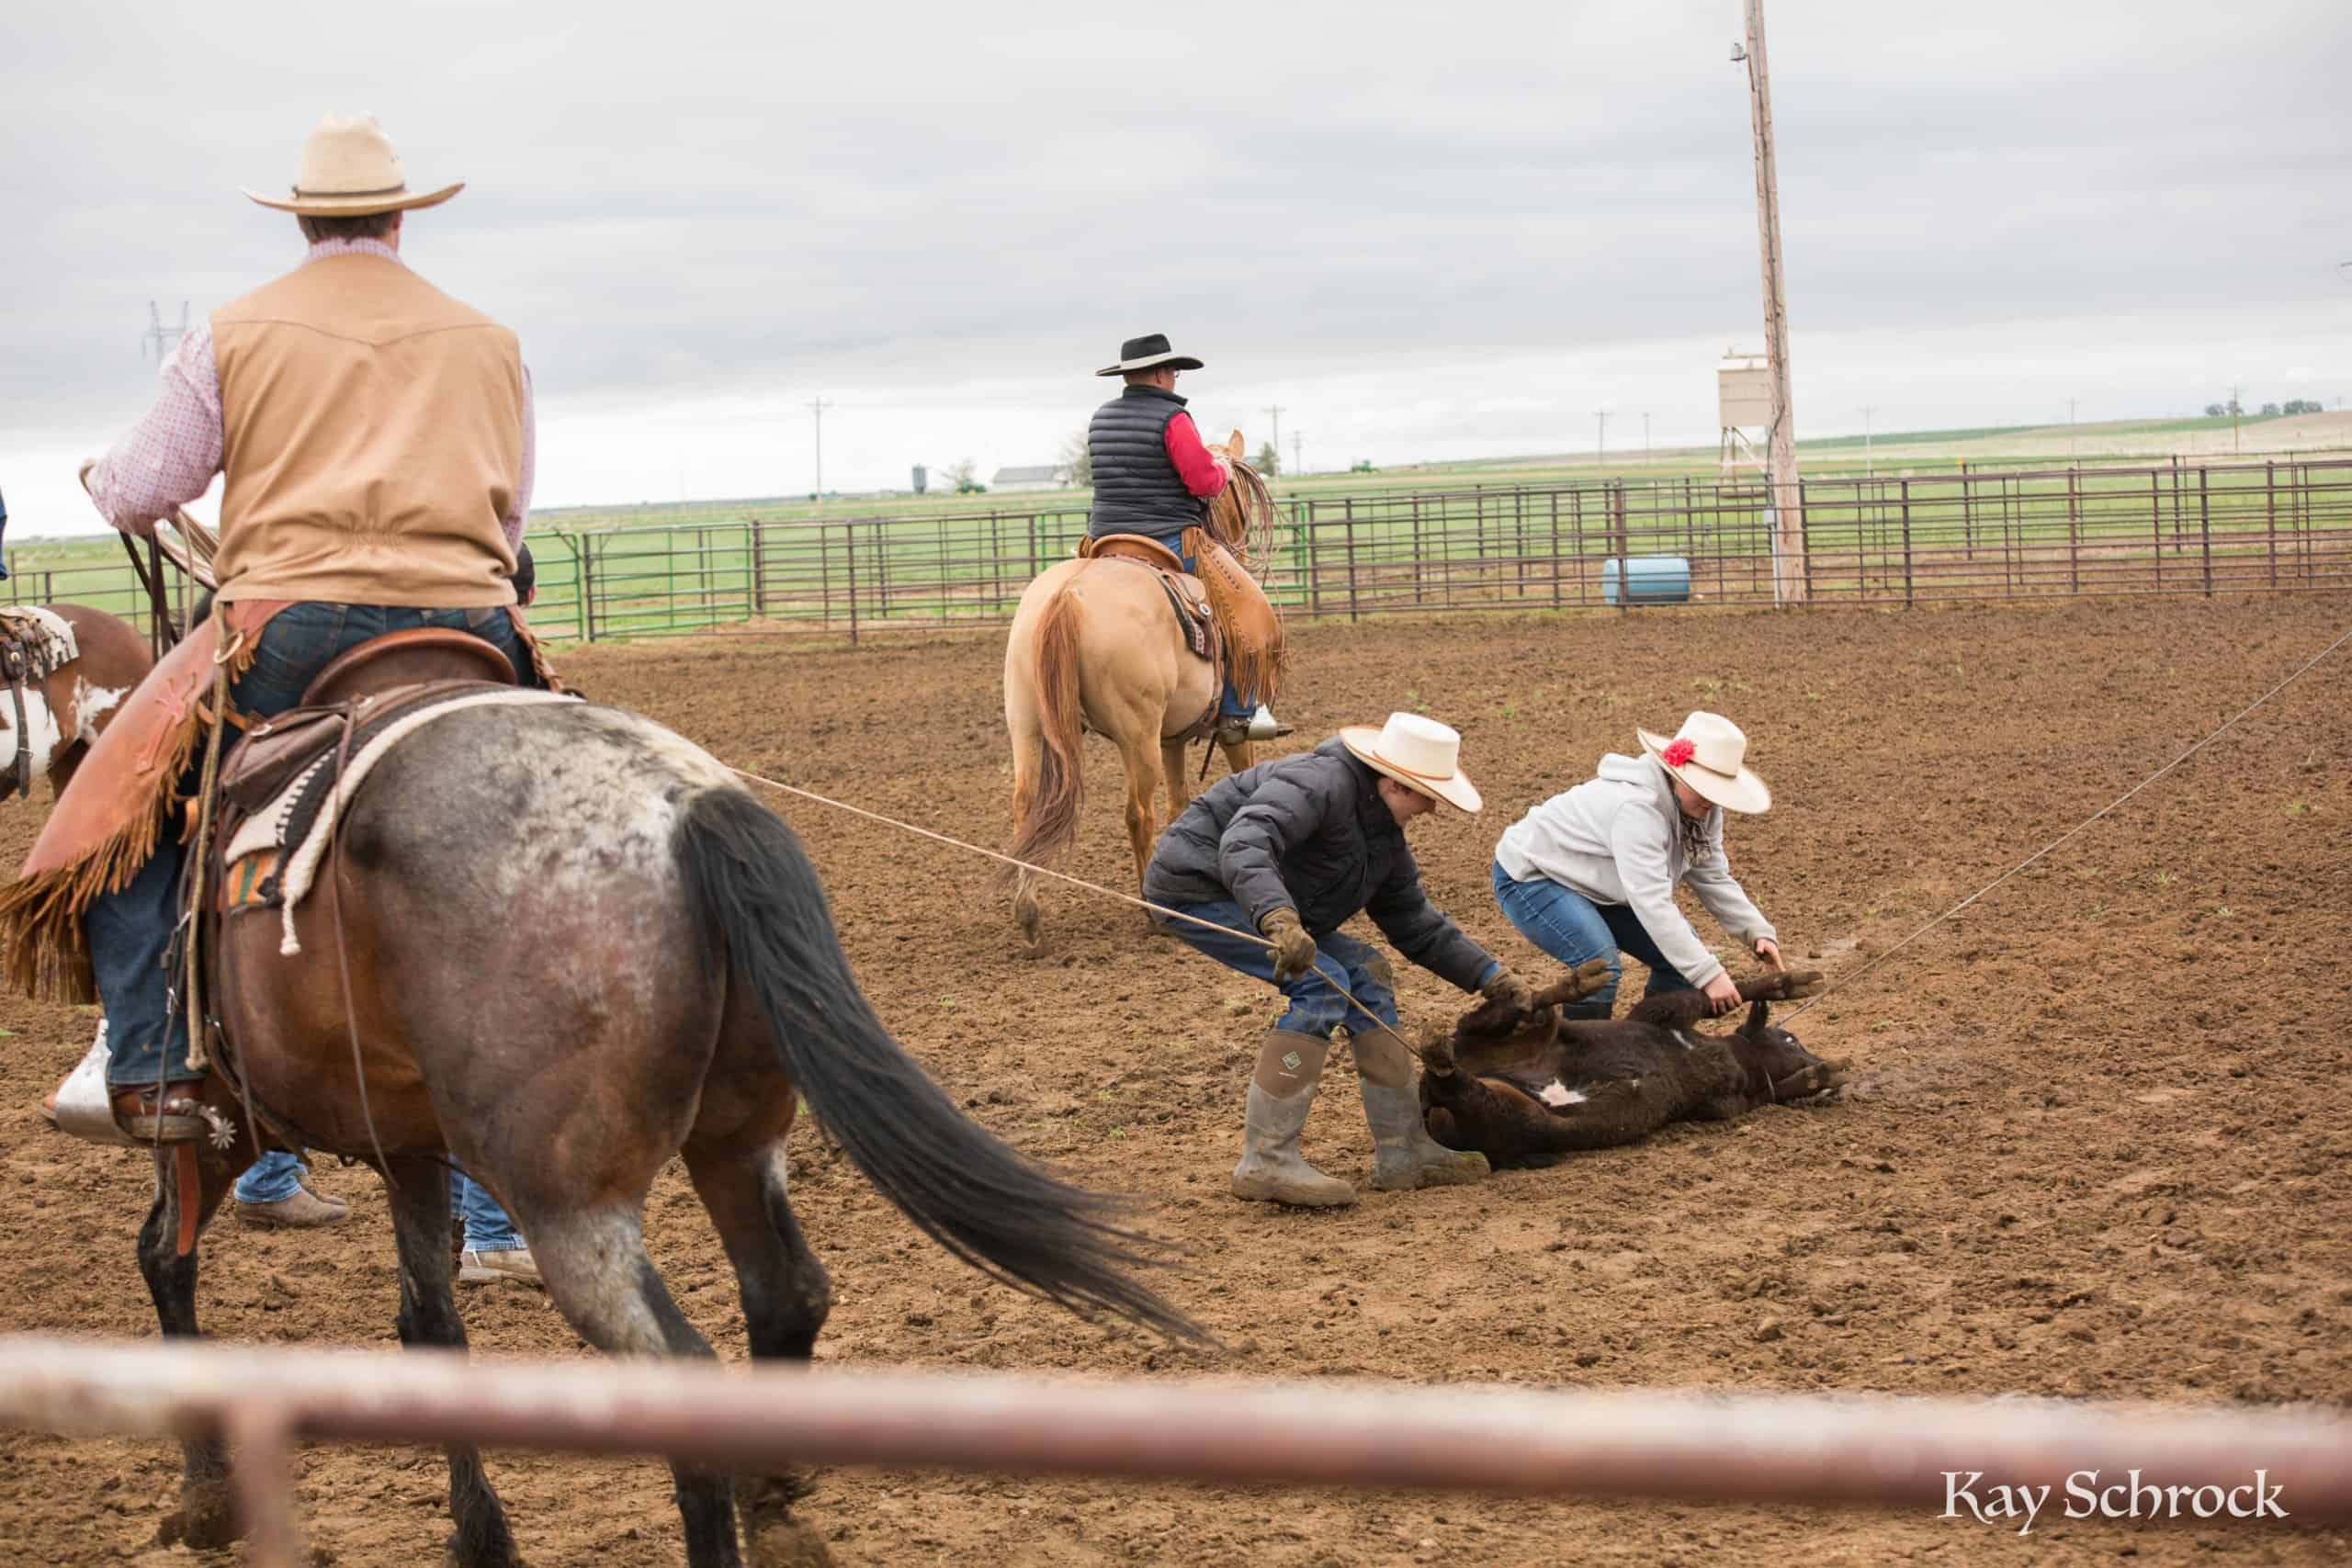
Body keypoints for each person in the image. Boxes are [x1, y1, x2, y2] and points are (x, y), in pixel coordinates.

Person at [74, 111, 541, 1146]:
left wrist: (109, 481)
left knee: (126, 817)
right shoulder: (490, 339)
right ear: (400, 222)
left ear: (302, 224)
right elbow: (510, 521)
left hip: (293, 629)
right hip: (474, 624)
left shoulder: (231, 332)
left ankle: (155, 1062)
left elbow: (140, 490)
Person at [1145, 712, 1538, 1206]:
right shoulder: (1318, 783)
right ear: (1395, 784)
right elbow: (1246, 841)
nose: (1433, 811)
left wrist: (1490, 977)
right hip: (1198, 887)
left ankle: (1403, 1150)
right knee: (1322, 980)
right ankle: (1265, 1159)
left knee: (1366, 972)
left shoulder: (1383, 838)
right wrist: (1280, 920)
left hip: (1263, 900)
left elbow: (1413, 920)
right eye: (1428, 797)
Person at [1490, 712, 1785, 1021]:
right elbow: (1651, 900)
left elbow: (1711, 875)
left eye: (1718, 793)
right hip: (1533, 876)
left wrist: (1756, 931)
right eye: (1705, 788)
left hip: (1597, 883)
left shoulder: (1703, 810)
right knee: (1598, 967)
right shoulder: (1636, 810)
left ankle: (1641, 1047)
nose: (1712, 801)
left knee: (1679, 966)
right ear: (1678, 773)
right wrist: (1709, 975)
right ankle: (1574, 1063)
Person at [1085, 333, 1284, 746]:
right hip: (1168, 537)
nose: (1175, 379)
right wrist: (1224, 472)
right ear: (1159, 375)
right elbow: (1201, 481)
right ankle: (1237, 712)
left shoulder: (1101, 418)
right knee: (1244, 610)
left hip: (1104, 539)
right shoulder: (1173, 420)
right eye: (1173, 372)